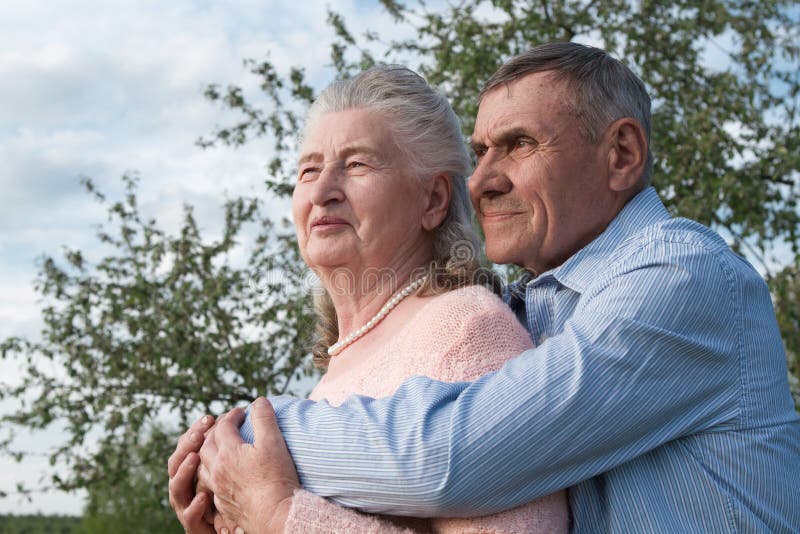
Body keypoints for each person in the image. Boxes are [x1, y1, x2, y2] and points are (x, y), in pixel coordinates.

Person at [171, 43, 800, 532]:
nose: (482, 182)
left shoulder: (682, 280)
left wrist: (237, 447)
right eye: (480, 152)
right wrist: (234, 507)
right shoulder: (534, 306)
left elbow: (448, 456)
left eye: (519, 145)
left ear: (622, 154)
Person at [169, 65, 568, 532]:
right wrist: (229, 515)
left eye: (357, 164)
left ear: (433, 200)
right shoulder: (340, 366)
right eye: (308, 170)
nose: (321, 191)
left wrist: (277, 516)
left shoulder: (466, 327)